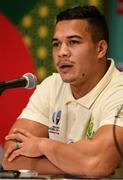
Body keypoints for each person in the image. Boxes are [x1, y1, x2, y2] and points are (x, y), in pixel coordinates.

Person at [2, 5, 123, 178]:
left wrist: (43, 146)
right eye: (56, 44)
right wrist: (81, 164)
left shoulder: (120, 92)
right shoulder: (51, 86)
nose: (62, 52)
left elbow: (98, 163)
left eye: (73, 42)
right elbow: (11, 158)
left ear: (100, 49)